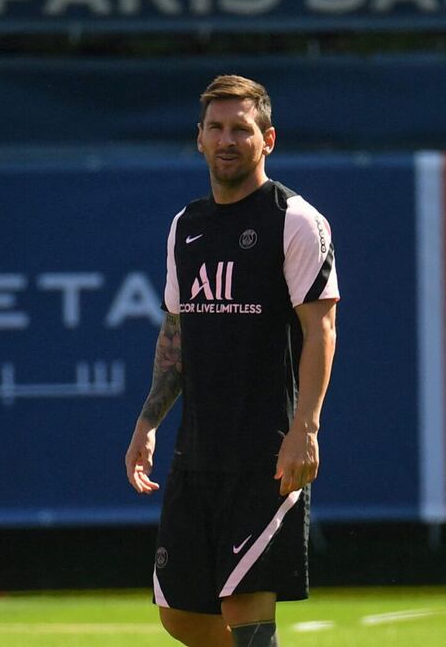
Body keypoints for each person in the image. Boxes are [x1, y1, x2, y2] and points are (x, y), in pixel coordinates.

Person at [124, 75, 339, 647]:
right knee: (180, 614)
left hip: (263, 453)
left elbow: (322, 331)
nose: (226, 139)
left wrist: (305, 430)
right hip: (196, 452)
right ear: (198, 139)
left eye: (240, 129)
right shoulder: (185, 226)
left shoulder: (295, 219)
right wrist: (148, 422)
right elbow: (177, 334)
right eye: (215, 128)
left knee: (244, 608)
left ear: (267, 139)